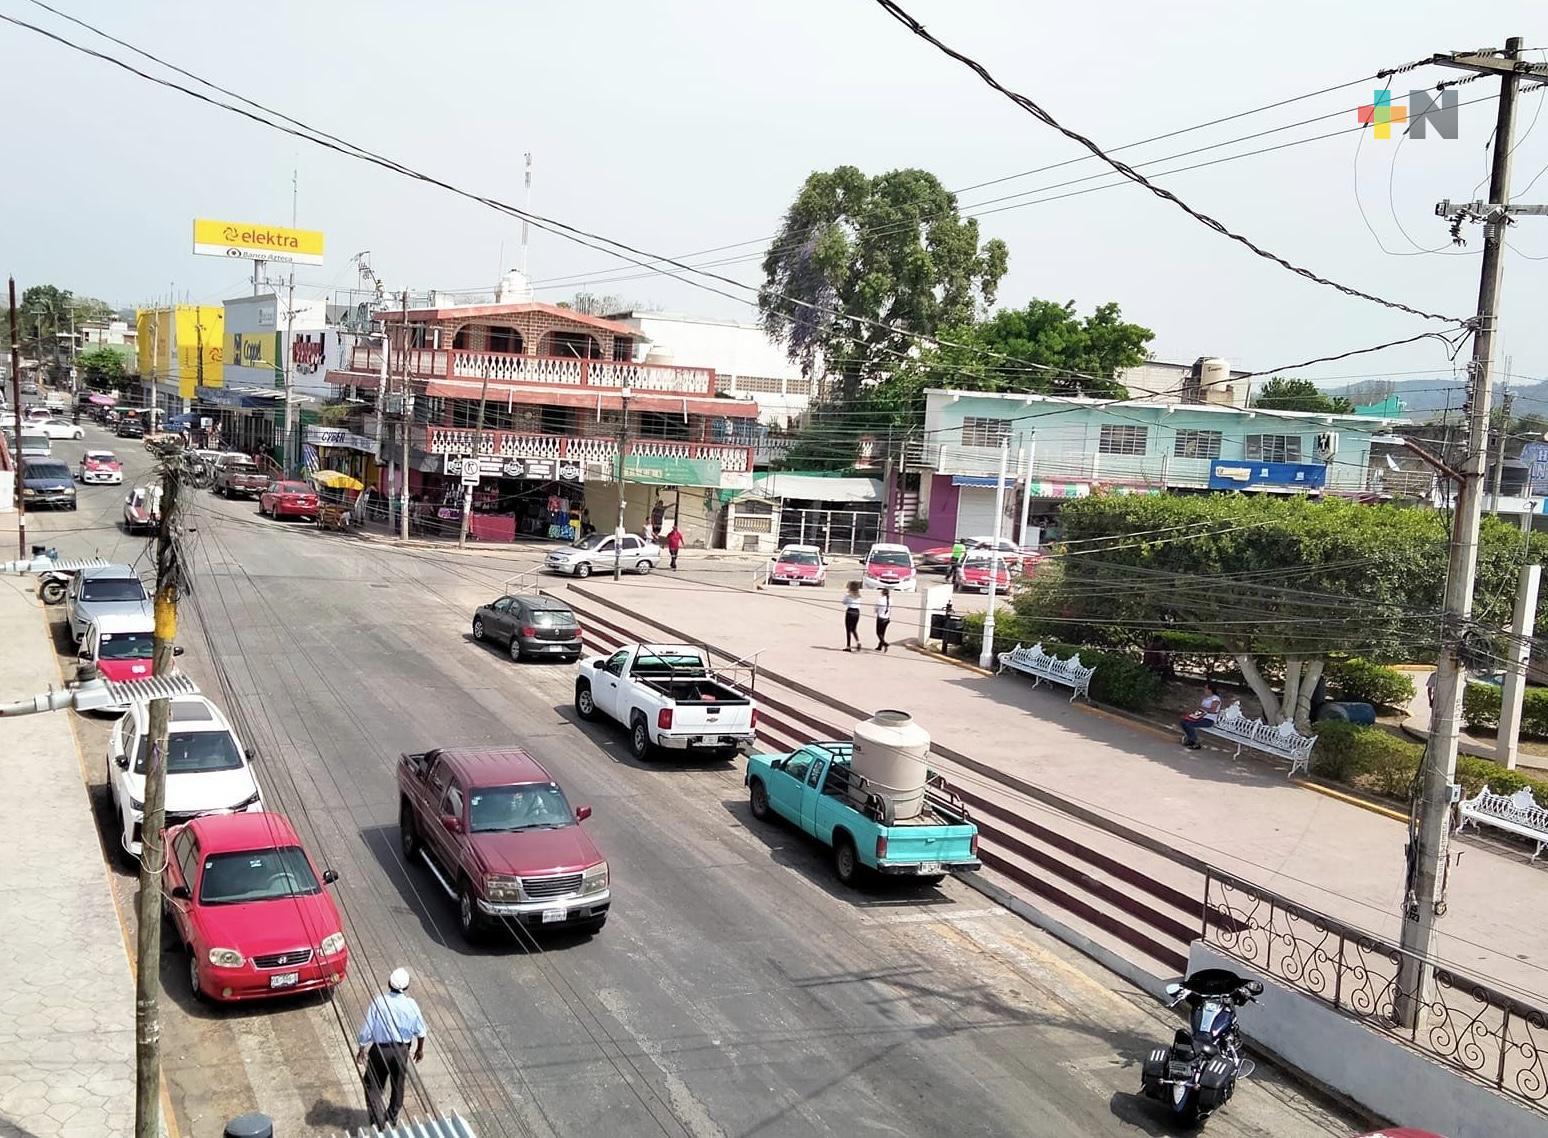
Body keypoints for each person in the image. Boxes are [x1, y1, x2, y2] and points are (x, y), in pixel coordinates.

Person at [355, 967, 428, 1129]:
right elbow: (421, 1031)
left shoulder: (379, 1002)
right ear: (407, 987)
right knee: (398, 1084)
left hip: (380, 1050)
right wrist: (419, 1049)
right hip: (401, 1050)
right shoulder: (412, 1005)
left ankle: (377, 1122)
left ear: (389, 983)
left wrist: (361, 1048)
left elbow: (367, 1029)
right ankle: (391, 1117)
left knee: (372, 1084)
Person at [1179, 681, 1224, 750]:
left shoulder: (1215, 698)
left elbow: (1213, 710)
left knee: (1189, 724)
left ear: (1210, 690)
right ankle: (1191, 739)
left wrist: (1202, 708)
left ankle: (1195, 742)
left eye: (1206, 688)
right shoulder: (1206, 698)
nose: (1204, 690)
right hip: (1200, 716)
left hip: (1209, 720)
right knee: (1183, 721)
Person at [842, 581, 863, 651]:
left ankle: (848, 646)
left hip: (850, 611)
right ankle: (858, 641)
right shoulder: (859, 595)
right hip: (857, 612)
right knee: (854, 628)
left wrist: (847, 593)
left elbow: (844, 602)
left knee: (848, 629)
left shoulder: (848, 595)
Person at [874, 588, 892, 652]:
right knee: (883, 633)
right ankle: (880, 646)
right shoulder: (890, 599)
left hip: (881, 618)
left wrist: (877, 611)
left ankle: (884, 643)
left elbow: (876, 609)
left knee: (878, 633)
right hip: (887, 618)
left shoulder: (880, 599)